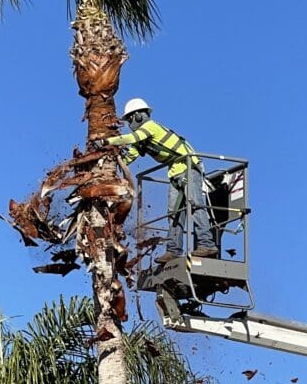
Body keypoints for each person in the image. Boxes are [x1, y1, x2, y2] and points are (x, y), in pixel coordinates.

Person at [93, 98, 218, 263]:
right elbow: (129, 157)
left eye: (130, 118)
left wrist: (107, 141)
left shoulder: (150, 127)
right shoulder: (142, 140)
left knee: (195, 205)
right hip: (175, 172)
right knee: (173, 214)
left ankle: (207, 244)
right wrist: (107, 169)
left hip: (189, 167)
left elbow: (130, 138)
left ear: (138, 116)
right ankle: (173, 250)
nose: (130, 122)